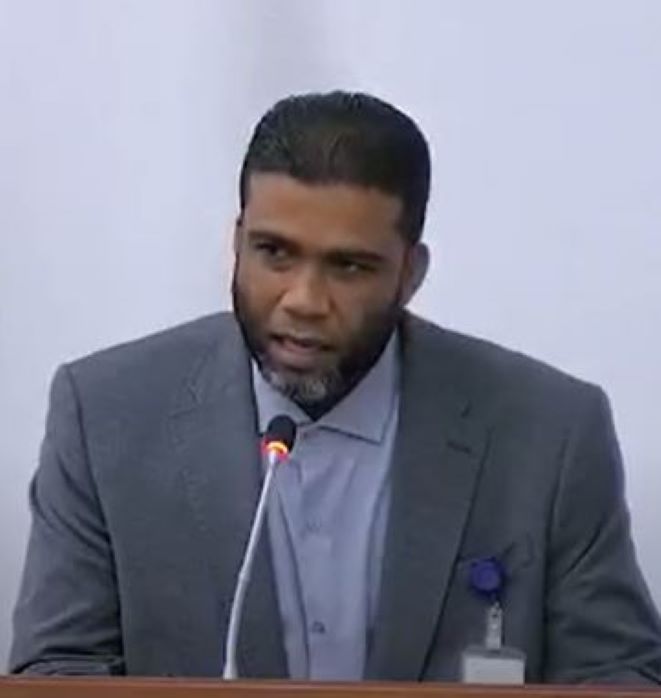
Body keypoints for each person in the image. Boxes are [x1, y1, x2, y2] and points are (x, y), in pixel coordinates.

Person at [9, 91, 661, 683]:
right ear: (236, 242)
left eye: (348, 266)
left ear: (410, 274)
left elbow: (618, 675)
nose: (303, 300)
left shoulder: (550, 432)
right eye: (274, 252)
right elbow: (59, 671)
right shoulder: (104, 416)